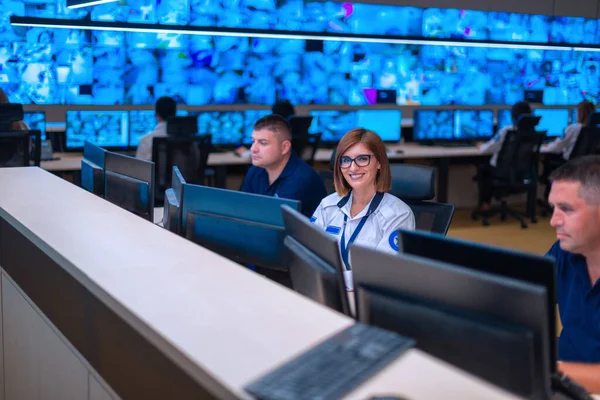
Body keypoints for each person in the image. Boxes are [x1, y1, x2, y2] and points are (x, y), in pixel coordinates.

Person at [310, 128, 415, 290]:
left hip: (370, 301)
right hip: (328, 292)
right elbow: (309, 252)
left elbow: (379, 274)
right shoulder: (327, 205)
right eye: (345, 160)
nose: (352, 168)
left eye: (362, 159)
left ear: (379, 162)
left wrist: (331, 279)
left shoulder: (399, 214)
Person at [546, 155, 600, 394]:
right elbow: (520, 293)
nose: (553, 221)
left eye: (566, 209)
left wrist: (544, 371)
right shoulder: (567, 251)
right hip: (563, 379)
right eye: (553, 208)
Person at [241, 114, 326, 218]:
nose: (253, 149)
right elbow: (242, 212)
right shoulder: (255, 171)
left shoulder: (301, 179)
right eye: (253, 141)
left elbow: (274, 222)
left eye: (263, 143)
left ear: (284, 147)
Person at [476, 101, 532, 210]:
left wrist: (480, 147)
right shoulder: (532, 133)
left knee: (482, 169)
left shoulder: (507, 131)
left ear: (513, 116)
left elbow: (489, 148)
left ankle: (485, 204)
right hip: (522, 173)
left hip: (502, 172)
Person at [135, 96, 177, 161]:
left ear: (156, 114)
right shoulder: (189, 141)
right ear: (175, 114)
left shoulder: (145, 141)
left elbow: (139, 169)